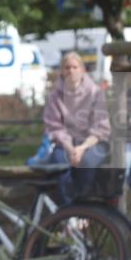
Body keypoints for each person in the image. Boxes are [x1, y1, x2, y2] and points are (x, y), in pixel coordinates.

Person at [43, 50, 111, 204]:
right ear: (61, 70)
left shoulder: (95, 93)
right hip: (65, 143)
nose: (71, 71)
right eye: (67, 67)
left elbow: (101, 127)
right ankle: (69, 215)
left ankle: (84, 209)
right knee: (60, 164)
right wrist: (70, 148)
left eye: (75, 67)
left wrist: (82, 148)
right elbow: (54, 127)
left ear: (82, 69)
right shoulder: (54, 96)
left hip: (92, 142)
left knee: (87, 163)